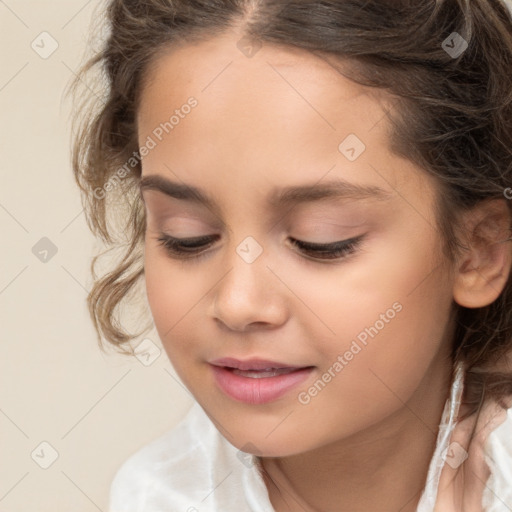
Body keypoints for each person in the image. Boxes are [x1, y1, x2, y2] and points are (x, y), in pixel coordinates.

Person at [68, 0, 512, 510]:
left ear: (478, 252)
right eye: (185, 236)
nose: (237, 303)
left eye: (320, 240)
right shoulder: (157, 496)